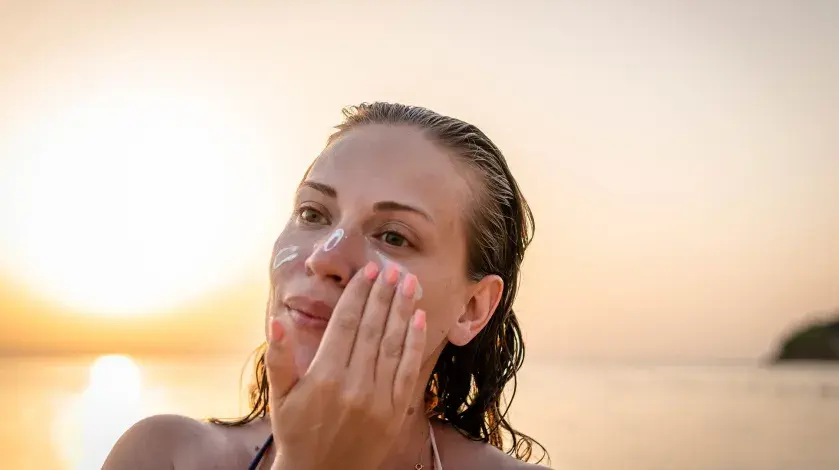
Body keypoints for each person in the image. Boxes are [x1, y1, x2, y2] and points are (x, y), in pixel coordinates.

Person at [103, 102, 549, 470]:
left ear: (471, 308)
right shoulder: (166, 456)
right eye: (314, 214)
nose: (325, 257)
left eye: (393, 236)